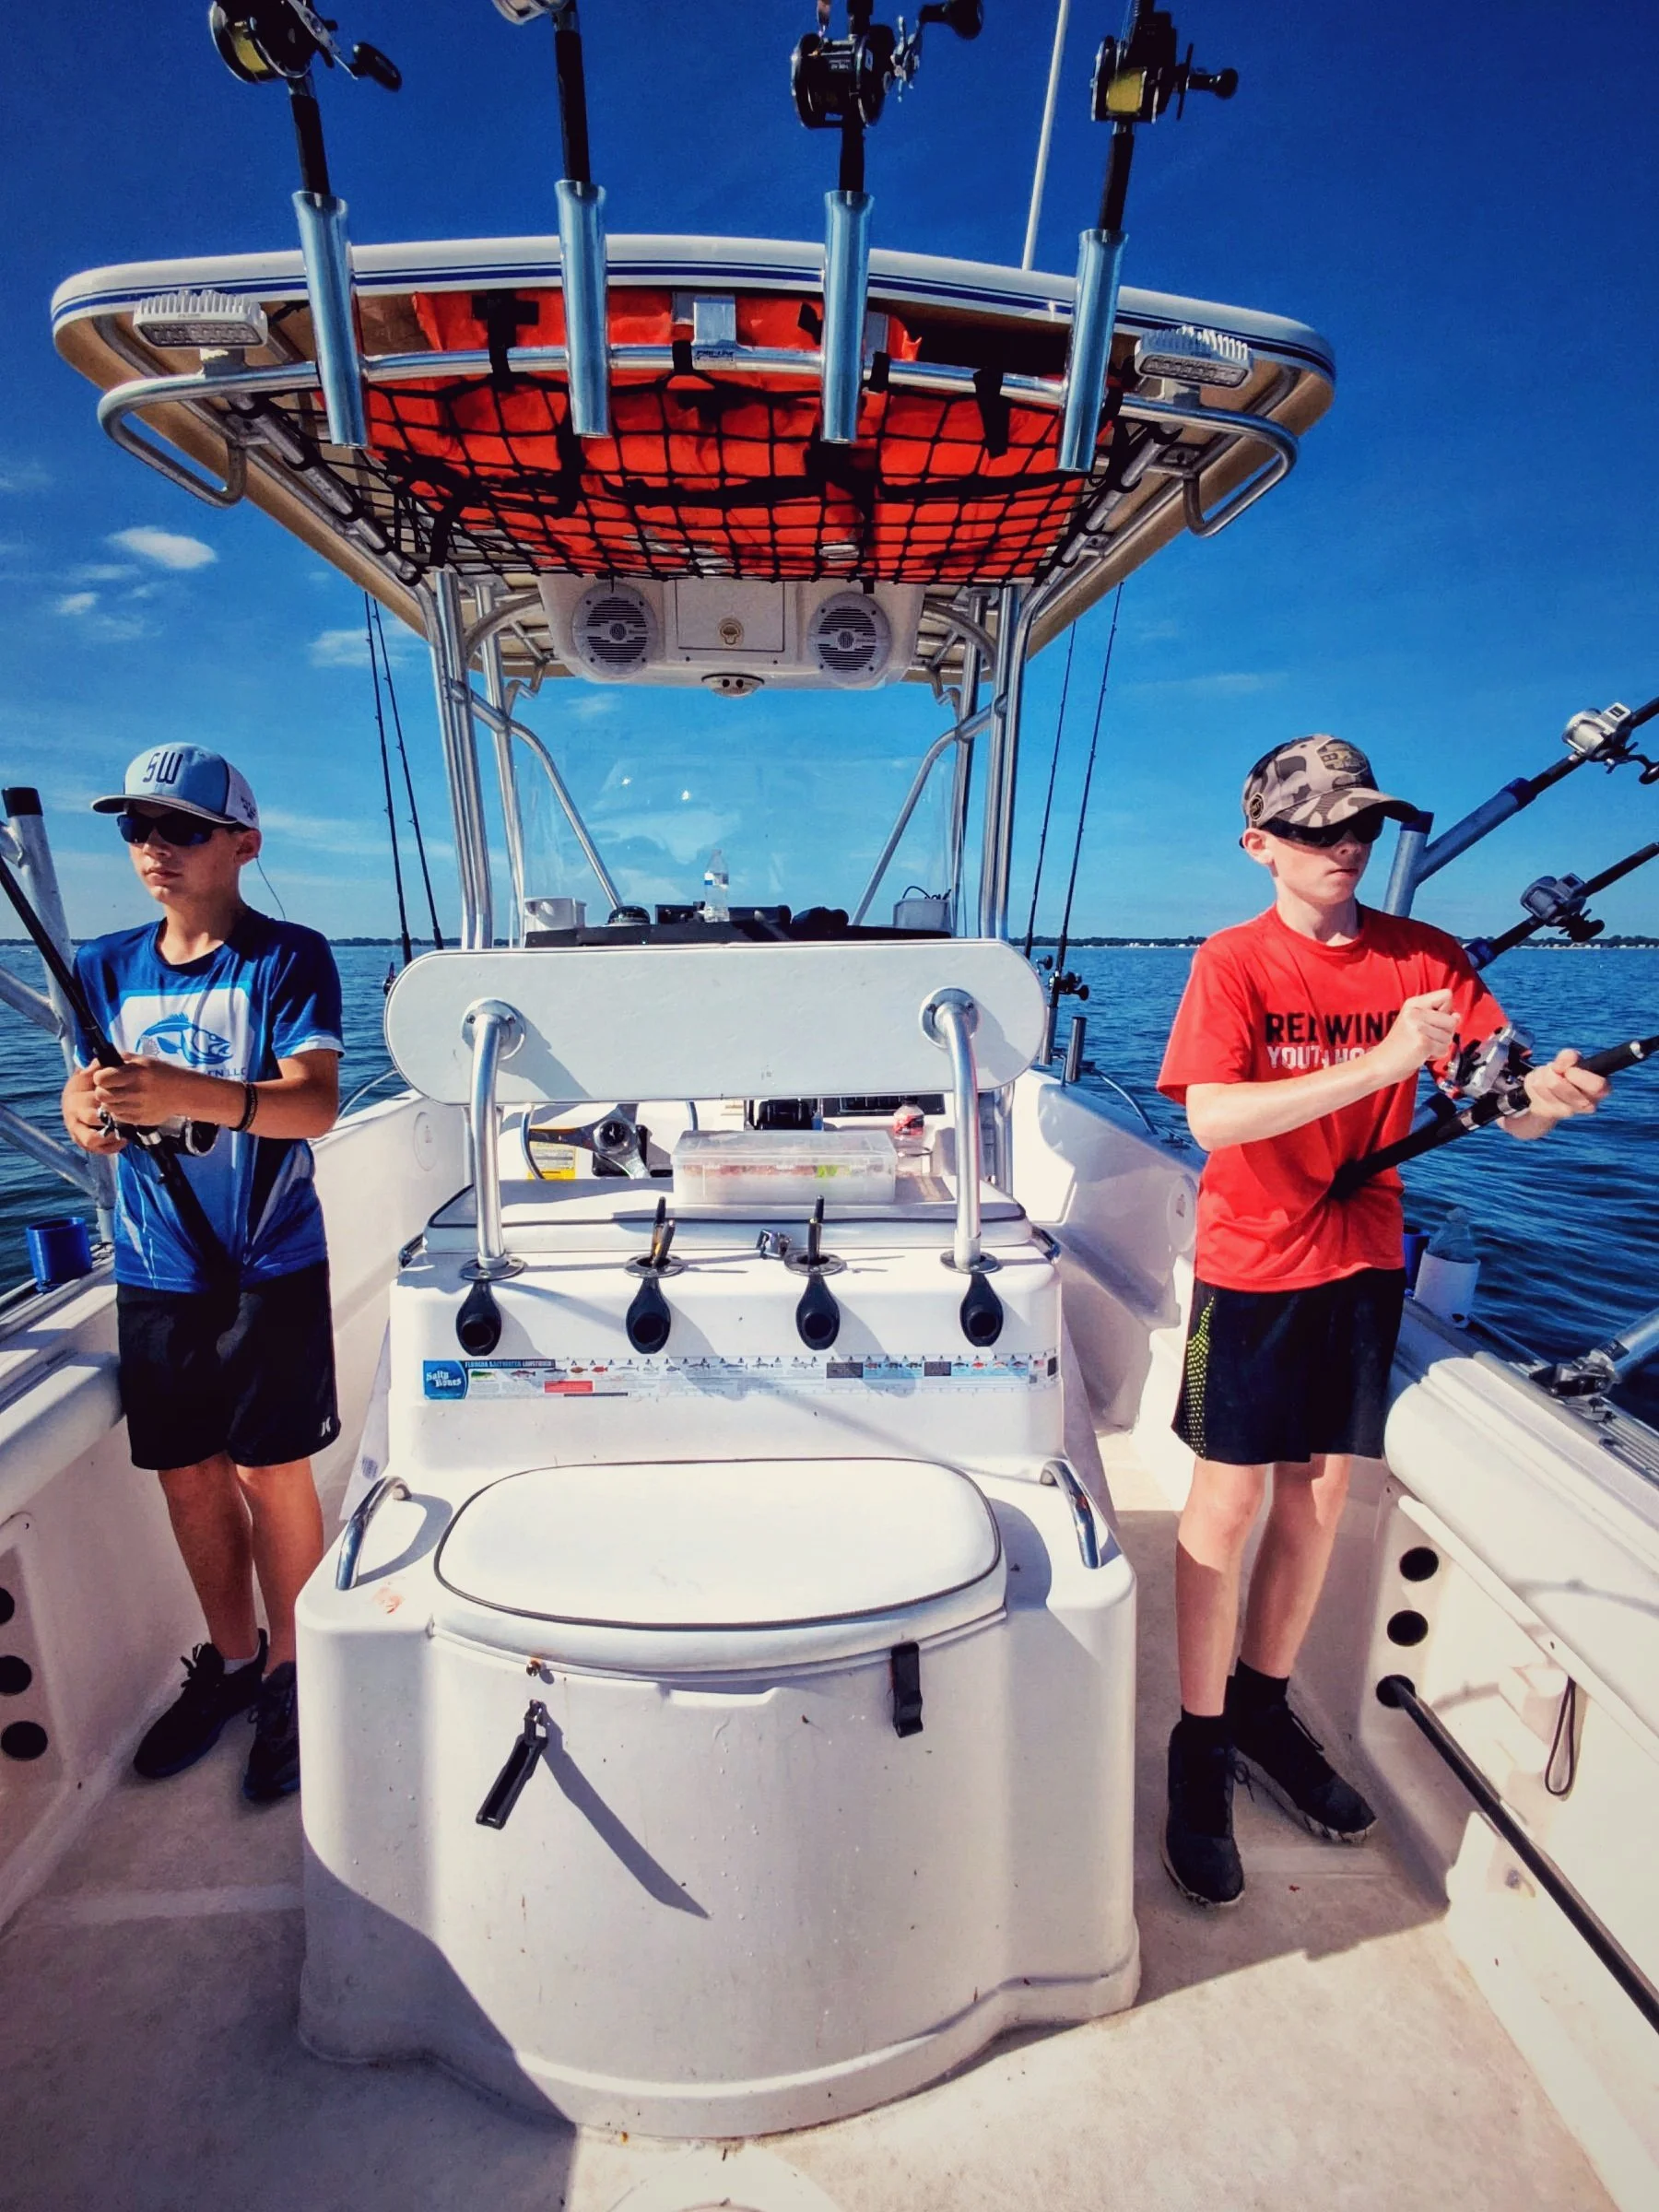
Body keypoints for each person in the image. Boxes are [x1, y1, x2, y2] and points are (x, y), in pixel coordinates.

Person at [1154, 735, 1606, 1908]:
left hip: (1361, 1262)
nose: (1343, 845)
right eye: (1314, 829)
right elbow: (1211, 1119)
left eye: (1360, 825)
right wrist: (1388, 1059)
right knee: (1229, 1498)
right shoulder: (1233, 962)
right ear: (1260, 845)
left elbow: (1500, 1109)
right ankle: (1197, 1744)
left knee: (1318, 1495)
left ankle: (1263, 1706)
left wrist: (1546, 1098)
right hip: (1252, 1264)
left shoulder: (1429, 959)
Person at [61, 746, 343, 1804]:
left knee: (272, 1470)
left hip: (266, 1256)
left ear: (243, 844)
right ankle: (229, 1660)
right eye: (136, 828)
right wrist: (84, 1114)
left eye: (178, 828)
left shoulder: (289, 958)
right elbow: (82, 1095)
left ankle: (295, 1671)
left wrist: (184, 1091)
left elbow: (314, 1103)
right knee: (188, 1471)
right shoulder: (103, 964)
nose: (152, 849)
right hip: (153, 1262)